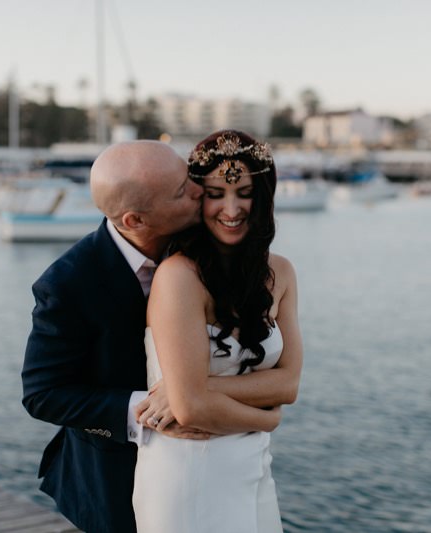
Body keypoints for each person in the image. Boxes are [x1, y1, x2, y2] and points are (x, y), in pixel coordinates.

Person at [21, 140, 205, 533]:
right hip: (112, 482)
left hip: (208, 472)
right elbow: (43, 394)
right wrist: (149, 411)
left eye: (189, 176)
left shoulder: (204, 247)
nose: (199, 190)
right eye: (181, 190)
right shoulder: (67, 283)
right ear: (135, 220)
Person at [132, 130, 303, 533]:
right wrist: (268, 420)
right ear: (198, 197)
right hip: (188, 467)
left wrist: (194, 389)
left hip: (253, 465)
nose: (231, 208)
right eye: (214, 193)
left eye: (244, 192)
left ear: (264, 195)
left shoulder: (281, 272)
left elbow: (289, 384)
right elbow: (190, 410)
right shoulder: (179, 277)